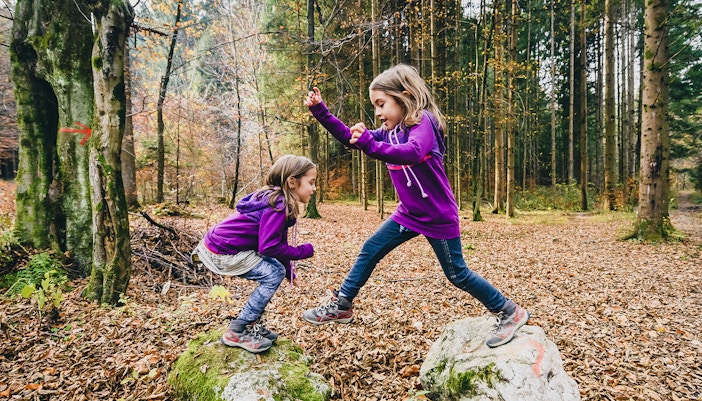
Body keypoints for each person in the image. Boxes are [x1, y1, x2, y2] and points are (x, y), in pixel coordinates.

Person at [302, 64, 529, 348]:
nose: (377, 112)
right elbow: (352, 138)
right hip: (407, 214)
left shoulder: (424, 124)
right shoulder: (389, 133)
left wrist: (371, 146)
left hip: (437, 216)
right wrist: (321, 111)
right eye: (375, 106)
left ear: (405, 95)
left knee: (457, 274)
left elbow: (414, 152)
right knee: (370, 248)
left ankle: (509, 311)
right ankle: (342, 304)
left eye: (381, 104)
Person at [192, 155, 317, 353]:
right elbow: (268, 248)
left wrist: (289, 271)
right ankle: (238, 330)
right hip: (222, 252)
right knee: (272, 274)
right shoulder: (278, 205)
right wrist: (302, 251)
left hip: (216, 245)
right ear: (292, 182)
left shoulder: (276, 200)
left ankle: (250, 326)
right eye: (311, 182)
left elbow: (277, 243)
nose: (314, 188)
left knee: (275, 269)